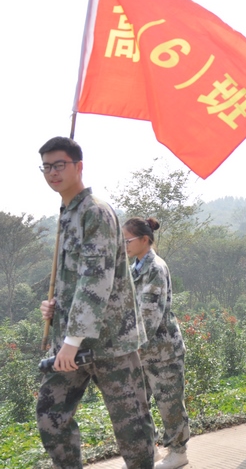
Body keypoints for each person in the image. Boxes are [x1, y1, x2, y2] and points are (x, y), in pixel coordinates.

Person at [36, 137, 155, 468]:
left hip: (110, 343)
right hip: (70, 345)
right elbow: (74, 279)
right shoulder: (67, 214)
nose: (52, 172)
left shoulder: (95, 212)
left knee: (131, 427)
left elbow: (96, 279)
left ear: (79, 166)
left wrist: (71, 341)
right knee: (51, 417)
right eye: (46, 166)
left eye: (59, 164)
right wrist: (55, 306)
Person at [123, 217, 190, 469]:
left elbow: (150, 314)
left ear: (144, 239)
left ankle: (178, 452)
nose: (124, 245)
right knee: (138, 404)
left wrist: (132, 343)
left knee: (169, 403)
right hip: (139, 350)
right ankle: (149, 451)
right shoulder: (134, 268)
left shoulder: (155, 267)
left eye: (128, 240)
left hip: (163, 350)